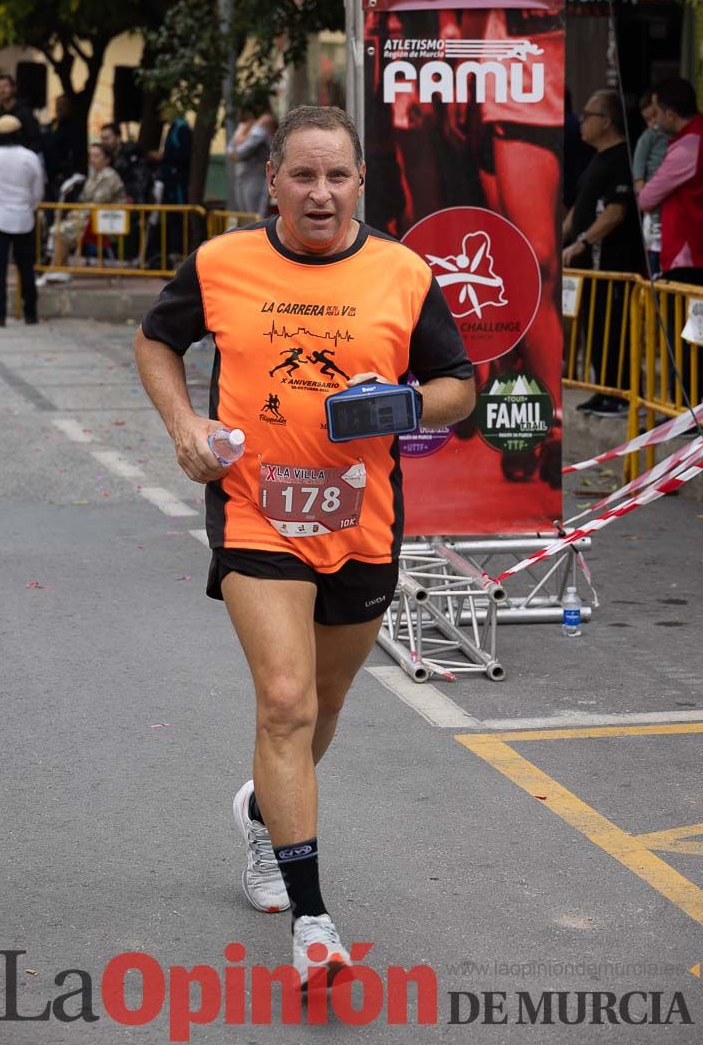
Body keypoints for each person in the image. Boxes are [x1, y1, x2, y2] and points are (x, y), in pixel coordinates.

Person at [135, 106, 475, 983]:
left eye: (336, 177)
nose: (319, 193)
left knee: (321, 712)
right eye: (302, 176)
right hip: (256, 513)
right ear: (272, 181)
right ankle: (313, 920)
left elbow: (459, 387)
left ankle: (261, 813)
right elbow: (157, 339)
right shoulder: (221, 263)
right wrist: (184, 427)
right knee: (283, 703)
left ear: (361, 181)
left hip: (361, 519)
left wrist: (403, 406)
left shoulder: (402, 272)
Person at [563, 89, 643, 417]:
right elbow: (578, 210)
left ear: (606, 122)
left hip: (613, 262)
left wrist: (582, 241)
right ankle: (602, 389)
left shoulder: (623, 158)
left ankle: (620, 393)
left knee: (613, 328)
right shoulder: (597, 158)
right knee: (594, 328)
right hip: (589, 269)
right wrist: (561, 241)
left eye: (588, 115)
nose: (582, 122)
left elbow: (615, 212)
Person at [0, 115, 44, 327]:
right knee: (26, 267)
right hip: (24, 217)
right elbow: (37, 190)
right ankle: (30, 313)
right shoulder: (30, 157)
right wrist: (29, 206)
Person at [639, 77, 703, 286]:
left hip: (688, 254)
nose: (655, 121)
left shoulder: (688, 146)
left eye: (656, 113)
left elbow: (646, 198)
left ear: (671, 114)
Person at [42, 142, 125, 280]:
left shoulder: (109, 176)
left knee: (60, 230)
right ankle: (60, 268)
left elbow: (98, 203)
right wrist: (75, 211)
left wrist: (78, 213)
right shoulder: (93, 176)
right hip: (92, 219)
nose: (92, 160)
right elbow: (84, 199)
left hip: (106, 221)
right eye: (91, 156)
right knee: (59, 228)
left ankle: (55, 269)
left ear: (107, 159)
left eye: (96, 156)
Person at [633, 90, 669, 277]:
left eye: (655, 115)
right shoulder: (648, 138)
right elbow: (638, 169)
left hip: (669, 196)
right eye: (648, 119)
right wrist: (643, 195)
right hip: (653, 200)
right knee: (655, 238)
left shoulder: (675, 136)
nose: (653, 123)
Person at [228, 103, 275, 217]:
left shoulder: (262, 124)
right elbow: (230, 149)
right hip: (242, 176)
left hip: (256, 178)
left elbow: (242, 152)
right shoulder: (243, 126)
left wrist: (237, 148)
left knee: (255, 215)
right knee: (245, 215)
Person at [100, 122, 151, 204]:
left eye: (107, 138)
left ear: (118, 137)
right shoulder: (106, 159)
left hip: (133, 203)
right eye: (102, 139)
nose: (104, 142)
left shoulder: (132, 155)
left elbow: (140, 181)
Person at [0, 75, 42, 154]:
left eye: (5, 86)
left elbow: (35, 140)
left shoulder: (24, 112)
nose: (2, 90)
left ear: (13, 88)